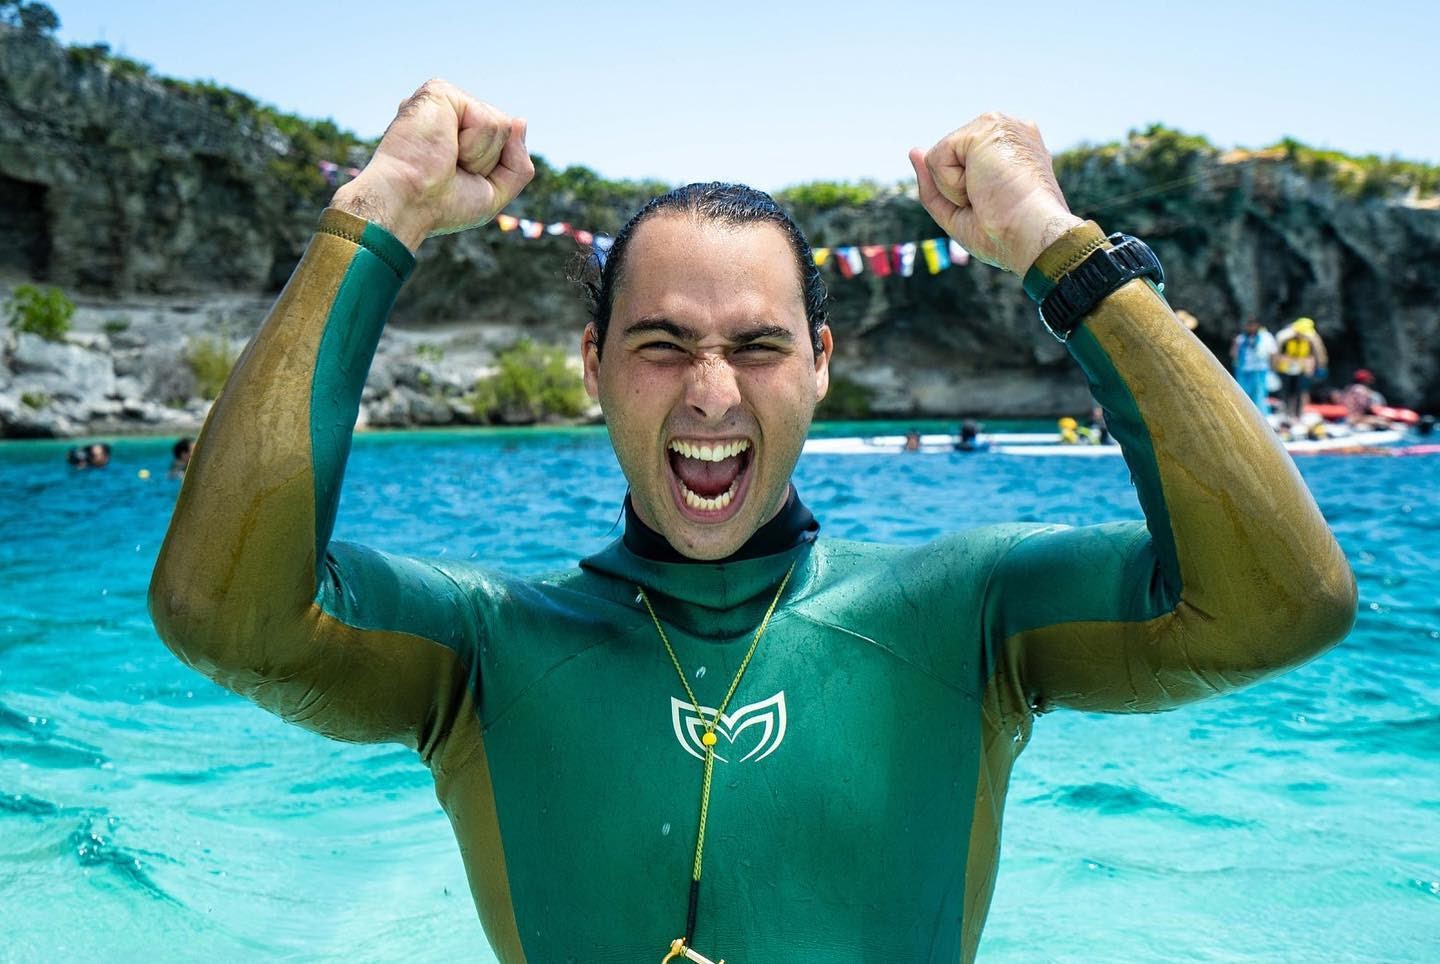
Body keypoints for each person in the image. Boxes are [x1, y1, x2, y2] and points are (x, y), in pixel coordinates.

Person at [149, 81, 1356, 962]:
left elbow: (1281, 603)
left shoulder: (967, 615)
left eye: (759, 347)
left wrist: (1058, 250)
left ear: (822, 363)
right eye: (663, 344)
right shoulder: (482, 648)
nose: (712, 395)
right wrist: (382, 211)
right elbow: (221, 609)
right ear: (592, 363)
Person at [1272, 317, 1328, 417]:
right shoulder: (1284, 337)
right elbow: (1277, 354)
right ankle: (1286, 413)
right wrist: (1275, 367)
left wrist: (1320, 365)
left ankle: (1298, 414)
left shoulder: (1311, 338)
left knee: (1300, 391)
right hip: (1286, 369)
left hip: (1302, 369)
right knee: (1287, 391)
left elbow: (1318, 352)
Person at [1230, 316, 1278, 413]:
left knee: (1259, 395)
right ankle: (1243, 413)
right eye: (1249, 325)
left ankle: (1261, 415)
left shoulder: (1266, 337)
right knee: (1242, 394)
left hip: (1259, 370)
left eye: (1253, 325)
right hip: (1243, 370)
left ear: (1258, 326)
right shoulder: (1241, 338)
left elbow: (1273, 354)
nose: (1250, 327)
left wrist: (1272, 369)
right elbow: (1233, 354)